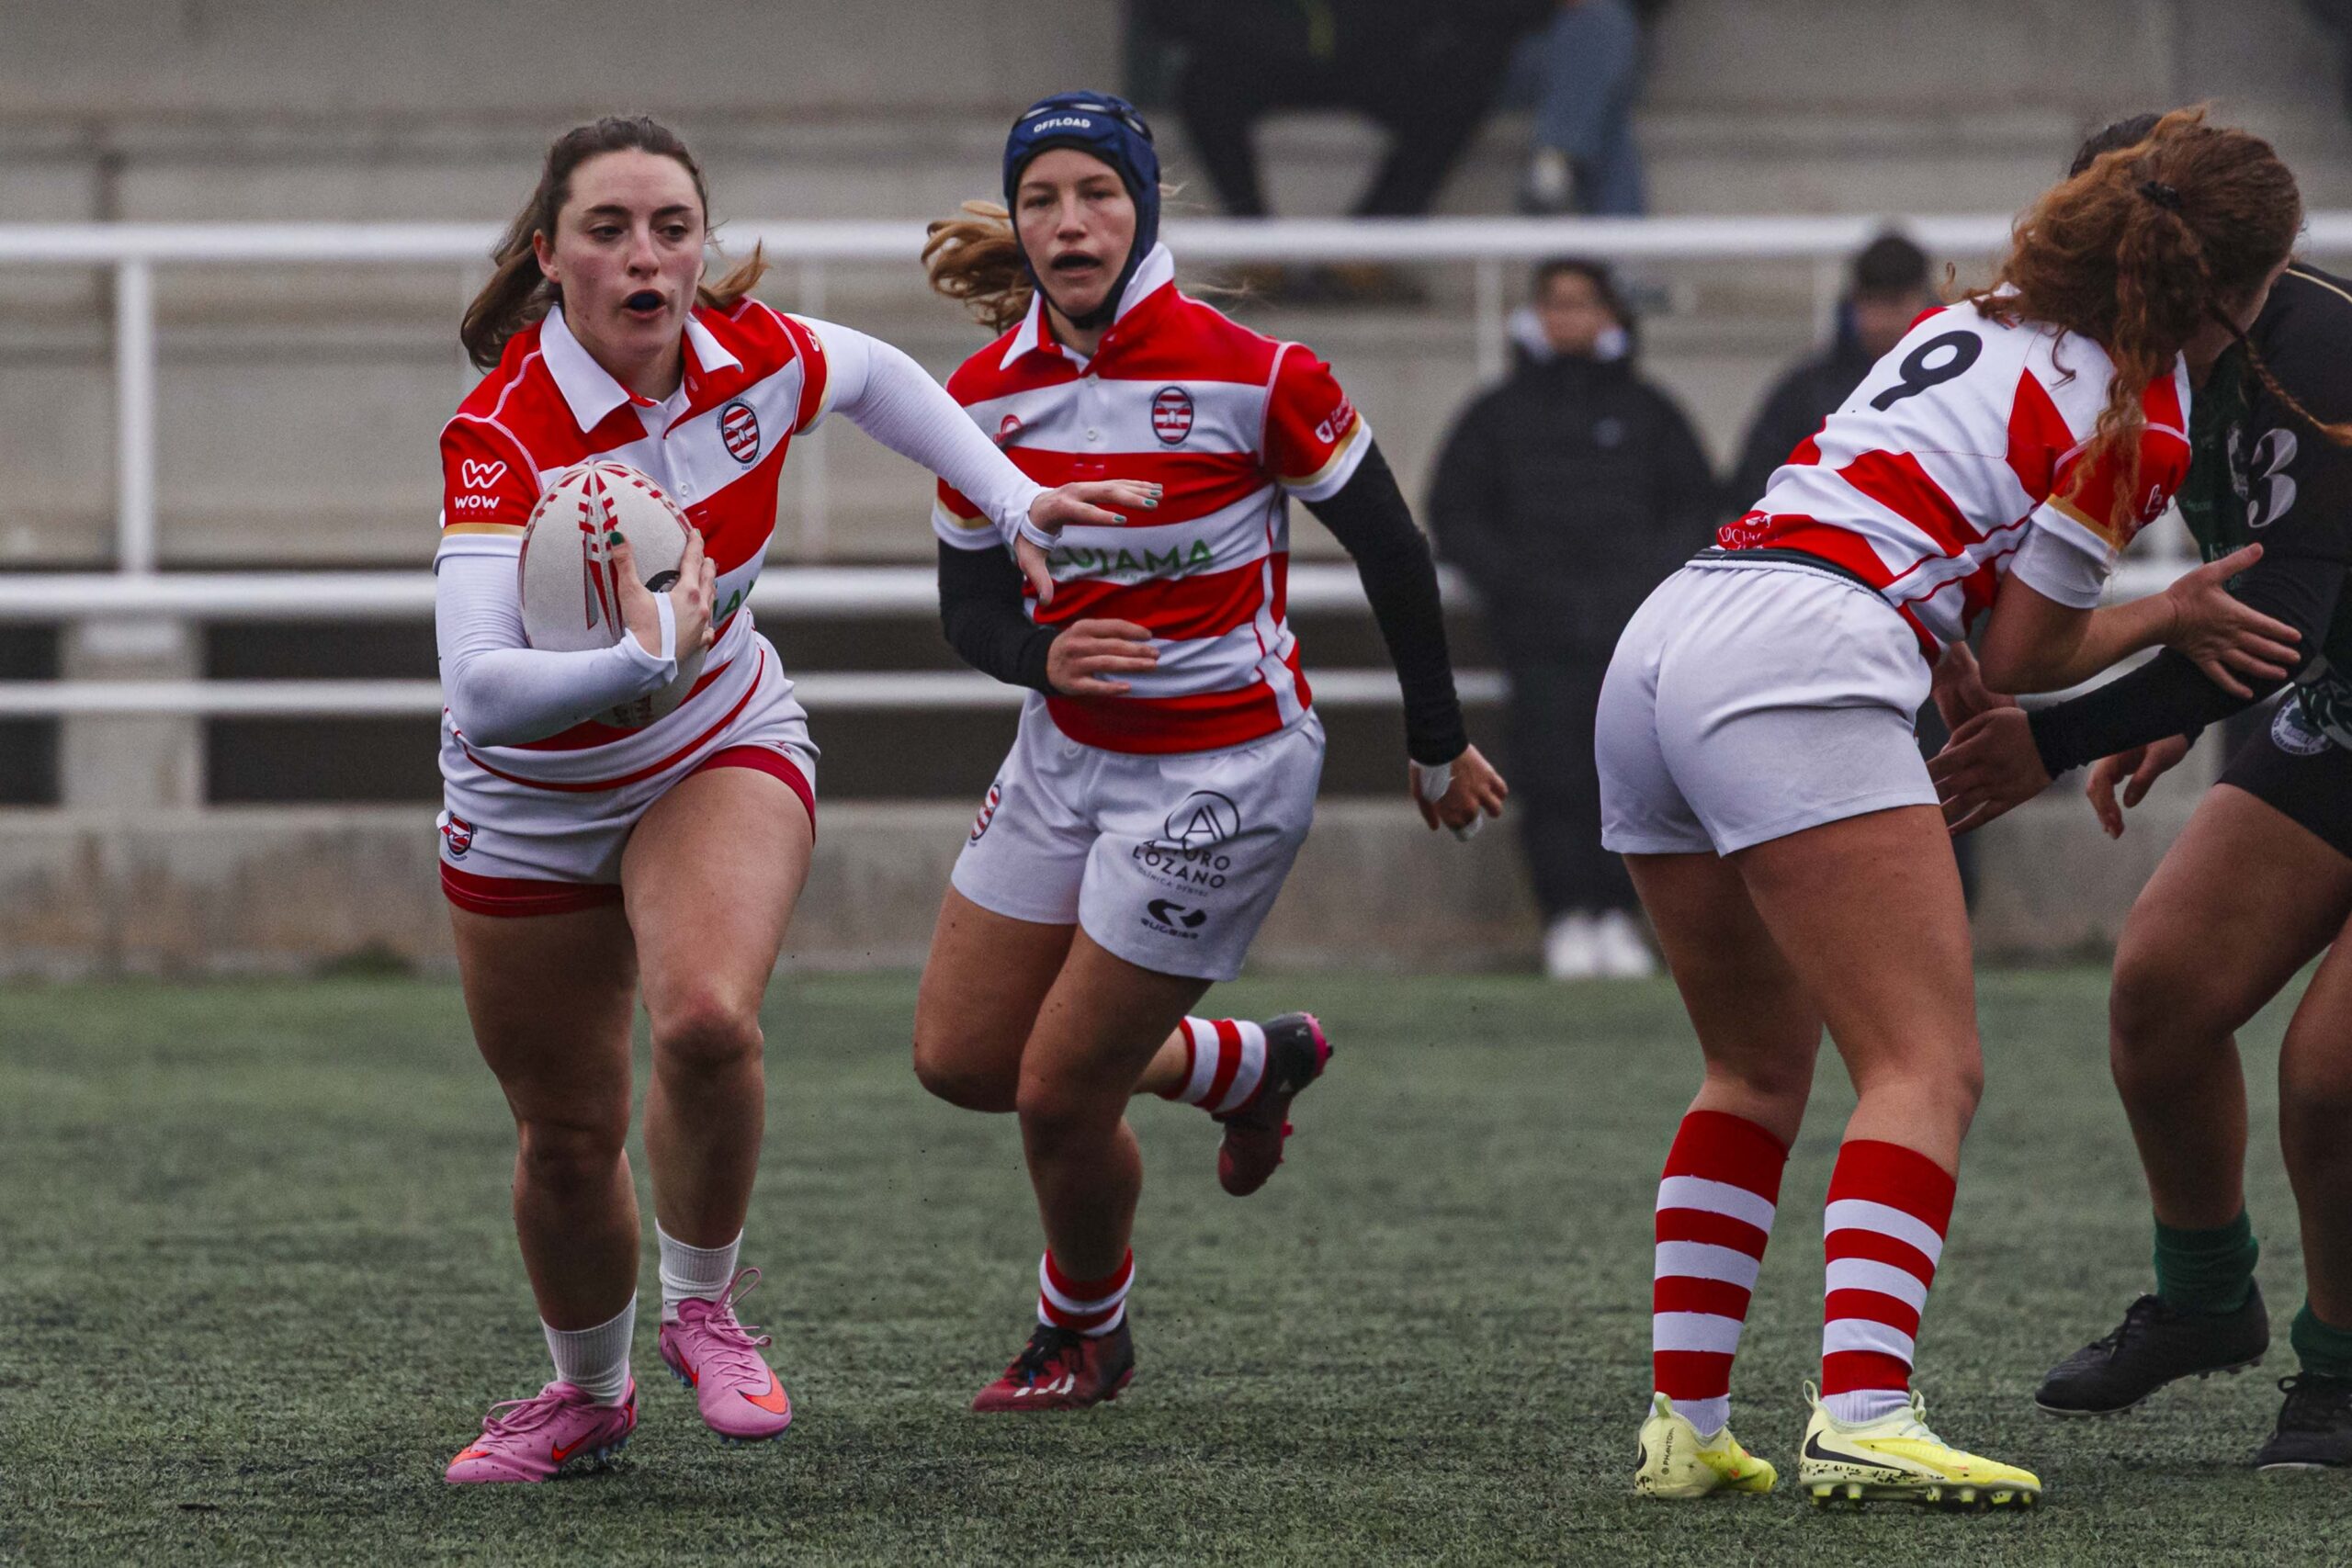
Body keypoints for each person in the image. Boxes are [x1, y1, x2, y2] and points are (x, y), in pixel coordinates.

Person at [1596, 107, 2308, 1507]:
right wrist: (2165, 612)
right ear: (2228, 287)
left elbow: (1912, 525)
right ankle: (1864, 1402)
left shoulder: (1970, 314)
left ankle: (1685, 1420)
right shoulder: (2141, 410)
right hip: (1800, 654)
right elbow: (2033, 651)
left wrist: (1959, 654)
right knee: (1926, 1061)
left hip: (1670, 633)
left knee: (1750, 1065)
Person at [430, 116, 1151, 1483]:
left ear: (700, 246)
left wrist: (1010, 498)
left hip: (716, 735)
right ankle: (586, 1392)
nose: (646, 255)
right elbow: (478, 687)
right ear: (550, 256)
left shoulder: (749, 352)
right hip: (529, 796)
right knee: (569, 1136)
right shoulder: (502, 430)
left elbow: (876, 374)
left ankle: (706, 1306)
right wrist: (643, 645)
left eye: (671, 227)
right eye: (608, 229)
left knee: (706, 1017)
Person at [910, 91, 1508, 1411]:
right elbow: (968, 607)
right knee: (961, 1059)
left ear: (1146, 209)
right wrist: (1037, 655)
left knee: (1058, 1095)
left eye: (1098, 194)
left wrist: (1435, 741)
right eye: (1044, 199)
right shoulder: (977, 400)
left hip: (1224, 771)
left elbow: (1395, 552)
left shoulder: (1259, 371)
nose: (1070, 223)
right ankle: (1246, 1060)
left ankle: (1086, 1332)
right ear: (1017, 220)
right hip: (1065, 750)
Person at [1928, 113, 2352, 1470]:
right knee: (2161, 988)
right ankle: (2207, 1298)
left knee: (2334, 1074)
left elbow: (2279, 609)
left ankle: (2341, 1371)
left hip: (2322, 679)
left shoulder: (2315, 351)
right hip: (2342, 708)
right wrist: (2180, 683)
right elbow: (2257, 603)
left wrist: (2049, 738)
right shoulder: (2173, 355)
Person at [1428, 257, 1715, 978]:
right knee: (1552, 773)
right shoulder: (1497, 414)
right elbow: (1454, 510)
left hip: (1634, 637)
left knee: (1636, 778)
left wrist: (1643, 587)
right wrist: (1517, 585)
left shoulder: (1652, 412)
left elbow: (1693, 506)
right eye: (1554, 303)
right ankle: (1564, 917)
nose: (1568, 317)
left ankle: (1620, 914)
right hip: (1539, 635)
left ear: (1611, 314)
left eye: (1583, 303)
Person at [1148, 0, 1544, 300]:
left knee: (1460, 86)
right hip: (1263, 50)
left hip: (1378, 53)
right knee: (1204, 87)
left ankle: (1367, 246)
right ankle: (1258, 248)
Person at [1729, 232, 1934, 515]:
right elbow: (1754, 487)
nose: (1879, 321)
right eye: (1870, 302)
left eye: (1894, 303)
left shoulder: (1959, 391)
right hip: (1819, 551)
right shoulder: (1803, 393)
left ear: (1924, 299)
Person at [1514, 0, 1658, 217]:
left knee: (1602, 28)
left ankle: (1554, 160)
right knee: (1602, 35)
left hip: (1601, 45)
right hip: (1510, 52)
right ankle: (1622, 242)